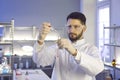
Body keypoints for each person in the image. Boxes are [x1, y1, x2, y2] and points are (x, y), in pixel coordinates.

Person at [33, 12, 104, 80]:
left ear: (84, 28)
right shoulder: (59, 46)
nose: (71, 30)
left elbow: (97, 69)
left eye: (76, 27)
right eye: (69, 26)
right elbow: (40, 61)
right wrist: (40, 40)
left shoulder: (91, 49)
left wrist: (75, 53)